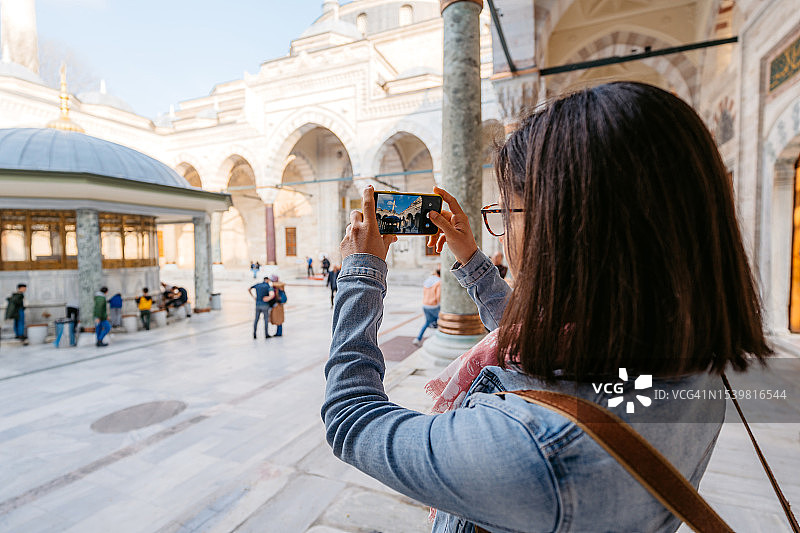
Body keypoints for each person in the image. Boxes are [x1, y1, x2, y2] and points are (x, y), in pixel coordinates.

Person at [322, 83, 771, 533]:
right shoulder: (686, 358)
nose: (503, 232)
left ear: (566, 228)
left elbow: (351, 419)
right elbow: (542, 350)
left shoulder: (536, 449)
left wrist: (361, 272)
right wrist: (470, 257)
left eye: (506, 212)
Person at [412, 267, 441, 346]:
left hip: (425, 305)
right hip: (434, 306)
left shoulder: (427, 280)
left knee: (427, 322)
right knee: (441, 322)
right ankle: (439, 340)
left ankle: (418, 338)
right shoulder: (439, 282)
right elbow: (438, 296)